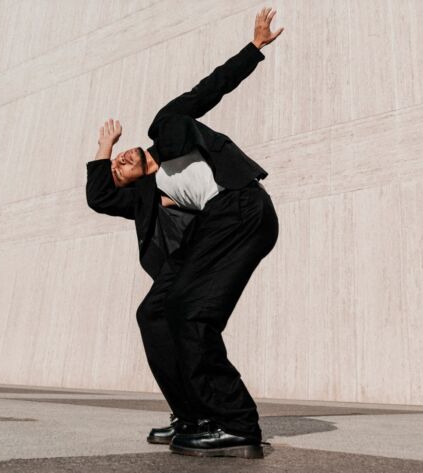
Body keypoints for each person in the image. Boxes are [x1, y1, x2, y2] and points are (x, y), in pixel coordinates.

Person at [85, 7, 283, 459]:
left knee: (192, 313)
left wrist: (254, 48)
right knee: (155, 314)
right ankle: (193, 415)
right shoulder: (149, 196)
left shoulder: (168, 126)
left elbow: (209, 89)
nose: (120, 161)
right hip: (213, 229)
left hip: (241, 207)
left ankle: (236, 425)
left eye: (120, 157)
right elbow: (99, 197)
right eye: (117, 169)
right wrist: (102, 147)